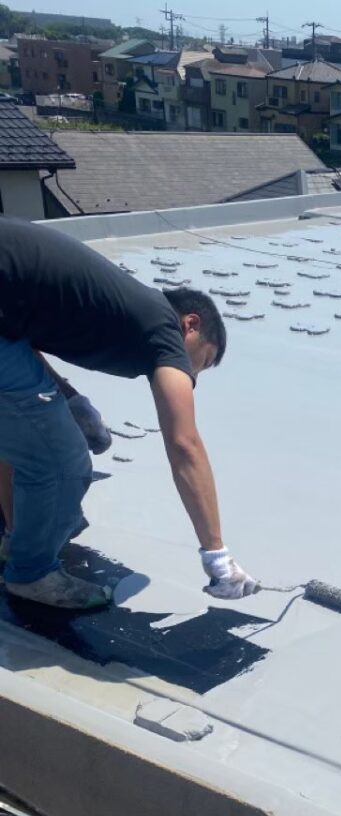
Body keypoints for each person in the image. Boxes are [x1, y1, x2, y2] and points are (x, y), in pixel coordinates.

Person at [0, 216, 258, 609]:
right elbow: (184, 444)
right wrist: (216, 554)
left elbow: (19, 332)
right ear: (190, 325)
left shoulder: (117, 305)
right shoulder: (163, 329)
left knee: (22, 435)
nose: (191, 377)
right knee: (61, 463)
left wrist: (68, 396)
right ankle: (31, 574)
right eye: (201, 363)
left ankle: (15, 535)